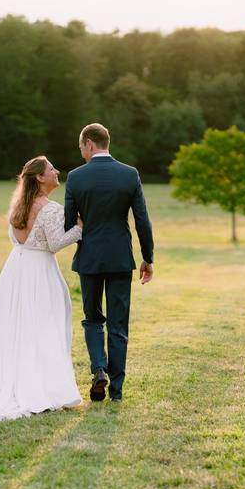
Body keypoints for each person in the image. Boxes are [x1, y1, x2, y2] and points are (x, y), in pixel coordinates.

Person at [0, 156, 84, 420]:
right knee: (45, 325)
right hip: (39, 272)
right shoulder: (49, 208)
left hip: (16, 269)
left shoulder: (18, 206)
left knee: (17, 325)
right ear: (40, 177)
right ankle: (41, 385)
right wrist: (80, 228)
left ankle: (15, 379)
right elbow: (55, 243)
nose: (57, 171)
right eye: (51, 169)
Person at [64, 123, 154, 402]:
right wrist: (147, 258)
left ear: (89, 143)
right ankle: (116, 389)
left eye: (81, 147)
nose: (81, 153)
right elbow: (142, 220)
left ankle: (99, 368)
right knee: (118, 324)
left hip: (89, 258)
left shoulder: (76, 178)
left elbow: (69, 223)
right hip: (119, 258)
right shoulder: (129, 174)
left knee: (92, 319)